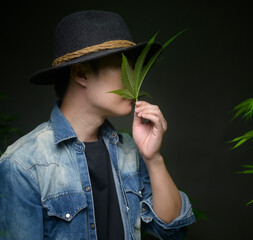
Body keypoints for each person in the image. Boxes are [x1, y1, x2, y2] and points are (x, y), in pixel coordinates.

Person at [0, 10, 195, 240]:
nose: (135, 78)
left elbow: (172, 231)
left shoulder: (129, 150)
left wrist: (153, 159)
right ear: (81, 73)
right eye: (124, 66)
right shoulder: (23, 165)